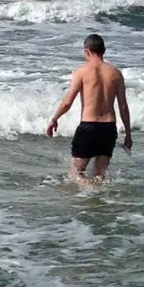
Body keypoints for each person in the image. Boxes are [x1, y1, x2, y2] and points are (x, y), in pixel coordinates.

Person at [45, 33, 132, 184]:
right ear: (103, 51)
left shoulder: (82, 72)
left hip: (88, 127)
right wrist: (128, 135)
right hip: (109, 128)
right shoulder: (116, 73)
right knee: (101, 175)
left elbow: (67, 102)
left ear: (87, 51)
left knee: (75, 172)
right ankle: (100, 202)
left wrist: (54, 119)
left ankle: (91, 189)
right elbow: (123, 106)